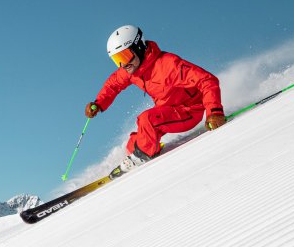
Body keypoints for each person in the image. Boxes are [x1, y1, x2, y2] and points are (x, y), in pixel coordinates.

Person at [85, 25, 227, 170]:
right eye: (117, 60)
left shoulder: (168, 64)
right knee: (133, 141)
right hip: (166, 110)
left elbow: (207, 80)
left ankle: (143, 157)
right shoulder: (131, 70)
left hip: (189, 111)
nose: (123, 64)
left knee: (147, 120)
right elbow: (113, 84)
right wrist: (99, 103)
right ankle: (139, 153)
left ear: (138, 46)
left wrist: (214, 111)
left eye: (124, 56)